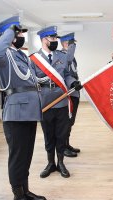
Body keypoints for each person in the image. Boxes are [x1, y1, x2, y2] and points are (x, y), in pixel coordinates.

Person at [0, 16, 46, 200]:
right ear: (9, 35)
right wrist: (9, 32)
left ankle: (25, 191)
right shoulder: (3, 56)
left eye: (19, 32)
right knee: (18, 156)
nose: (21, 36)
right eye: (18, 32)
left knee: (26, 155)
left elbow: (33, 79)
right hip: (16, 114)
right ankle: (18, 195)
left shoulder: (21, 55)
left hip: (29, 112)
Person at [34, 26, 81, 178]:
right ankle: (50, 163)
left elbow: (66, 74)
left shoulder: (60, 56)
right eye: (52, 38)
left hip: (61, 101)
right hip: (45, 102)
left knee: (61, 134)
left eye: (55, 38)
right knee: (49, 135)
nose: (55, 41)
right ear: (43, 40)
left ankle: (61, 163)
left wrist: (72, 82)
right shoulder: (34, 59)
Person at [60, 33, 81, 157]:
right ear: (65, 44)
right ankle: (62, 147)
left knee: (71, 121)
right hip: (68, 93)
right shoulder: (62, 56)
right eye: (72, 44)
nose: (74, 47)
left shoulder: (72, 58)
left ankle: (67, 144)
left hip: (74, 92)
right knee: (66, 121)